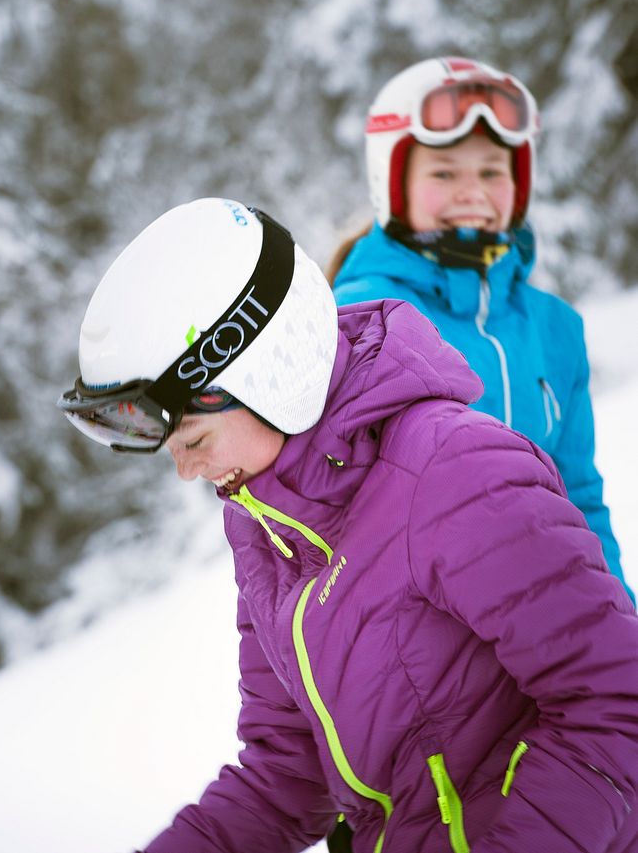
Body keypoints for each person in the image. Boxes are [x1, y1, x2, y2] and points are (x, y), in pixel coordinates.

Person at [58, 197, 638, 853]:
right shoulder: (268, 530)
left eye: (192, 437)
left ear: (268, 375)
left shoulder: (454, 472)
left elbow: (615, 703)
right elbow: (286, 776)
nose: (186, 472)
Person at [329, 55, 634, 605]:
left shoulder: (555, 328)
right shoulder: (361, 319)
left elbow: (579, 496)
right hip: (430, 640)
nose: (472, 192)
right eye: (444, 173)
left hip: (550, 620)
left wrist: (619, 621)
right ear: (392, 182)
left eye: (492, 171)